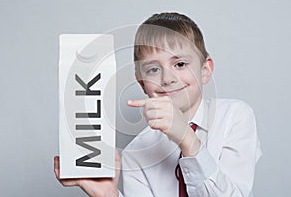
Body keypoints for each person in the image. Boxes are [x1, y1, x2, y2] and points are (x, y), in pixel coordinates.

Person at [54, 12, 262, 197]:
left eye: (180, 64)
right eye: (153, 69)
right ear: (142, 83)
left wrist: (186, 138)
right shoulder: (137, 152)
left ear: (205, 70)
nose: (167, 78)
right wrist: (109, 195)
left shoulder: (235, 117)